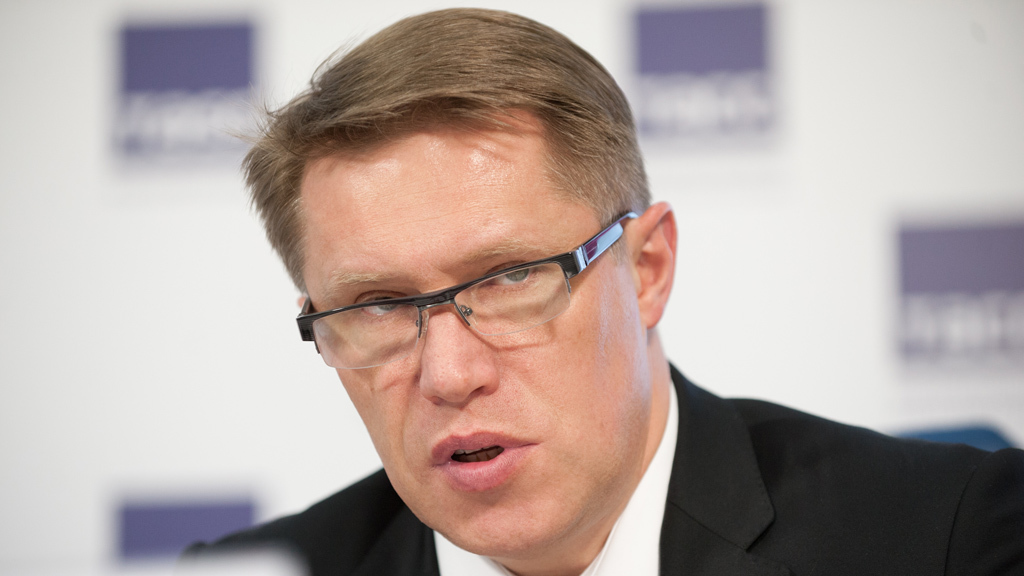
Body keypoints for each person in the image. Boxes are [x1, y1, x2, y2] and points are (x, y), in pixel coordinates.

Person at [183, 8, 1024, 576]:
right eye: (378, 305)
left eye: (510, 276)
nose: (449, 374)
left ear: (647, 268)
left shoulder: (952, 535)